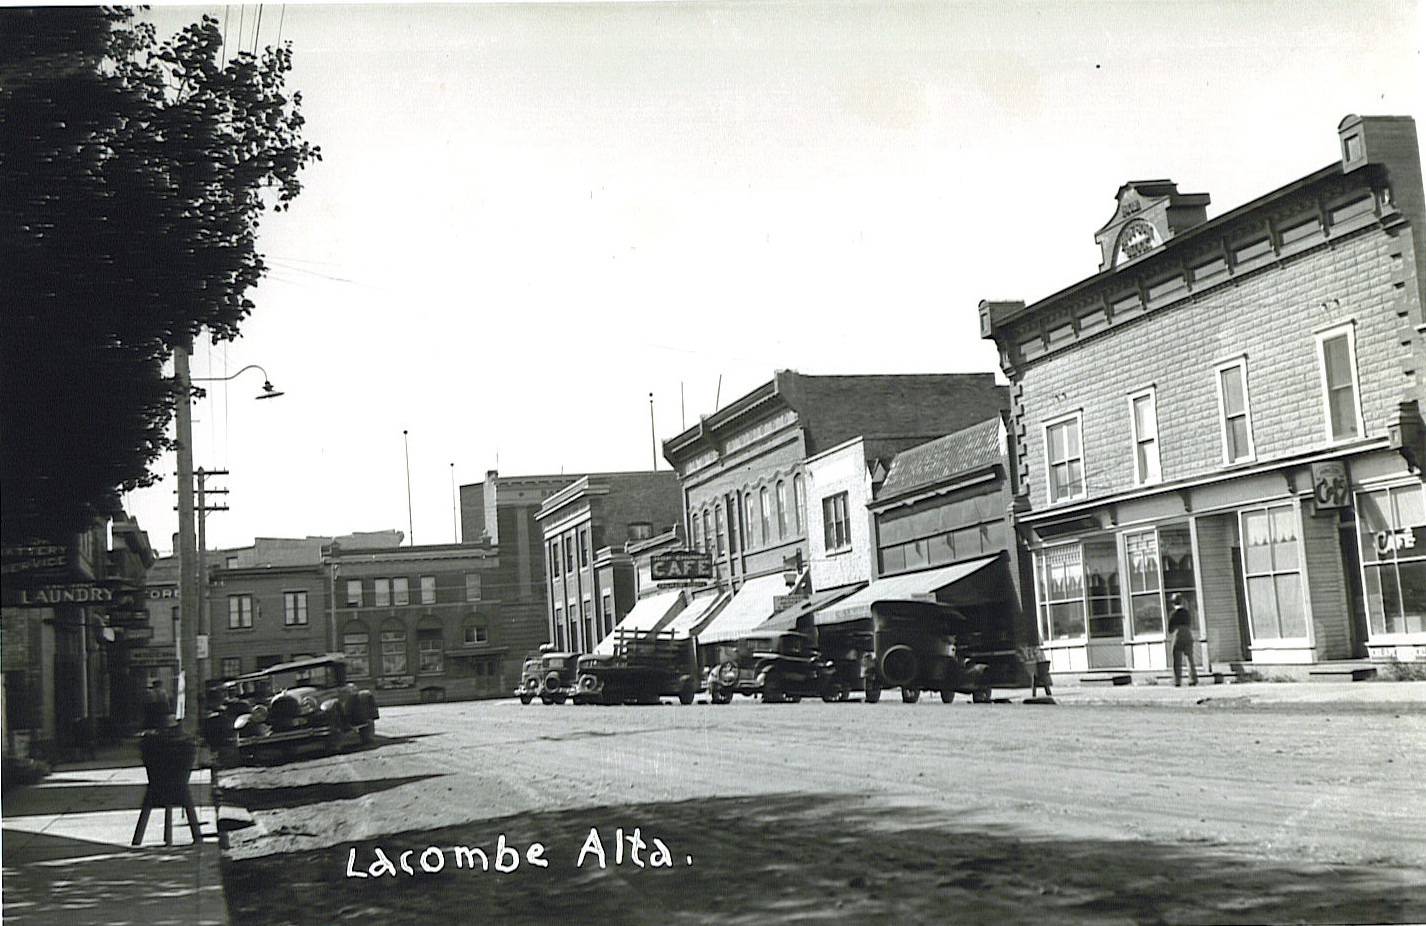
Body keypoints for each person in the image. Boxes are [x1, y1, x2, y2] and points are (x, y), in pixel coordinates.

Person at [1166, 593, 1198, 687]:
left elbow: (1170, 628)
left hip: (1178, 634)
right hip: (1187, 633)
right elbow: (1190, 624)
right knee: (1189, 658)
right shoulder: (1187, 613)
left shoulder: (1173, 614)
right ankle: (1192, 679)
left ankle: (1177, 681)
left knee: (1177, 658)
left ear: (1173, 603)